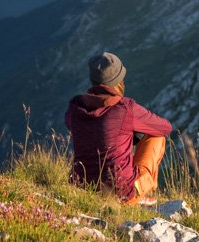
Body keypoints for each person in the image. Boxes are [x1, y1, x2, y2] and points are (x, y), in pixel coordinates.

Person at [65, 51, 172, 205]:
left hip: (81, 188)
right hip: (121, 195)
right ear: (119, 81)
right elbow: (165, 127)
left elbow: (78, 128)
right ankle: (139, 193)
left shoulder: (75, 106)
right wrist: (133, 136)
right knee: (157, 136)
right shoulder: (125, 108)